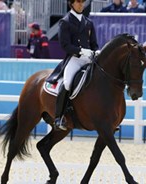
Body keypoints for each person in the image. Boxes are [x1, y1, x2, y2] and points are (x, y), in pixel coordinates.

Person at [47, 0, 99, 131]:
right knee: (67, 83)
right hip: (75, 59)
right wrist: (80, 51)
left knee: (102, 79)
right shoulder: (65, 22)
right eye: (78, 2)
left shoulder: (88, 22)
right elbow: (65, 45)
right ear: (72, 4)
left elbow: (94, 43)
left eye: (82, 2)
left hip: (88, 59)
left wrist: (95, 51)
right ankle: (59, 118)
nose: (81, 5)